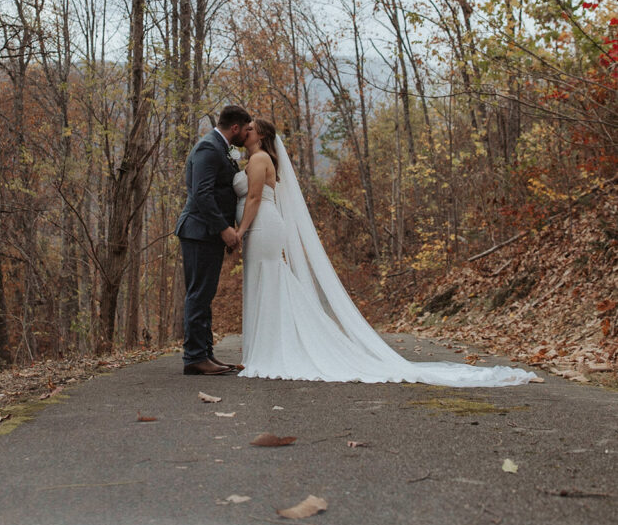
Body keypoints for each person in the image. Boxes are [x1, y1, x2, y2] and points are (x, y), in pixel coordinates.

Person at [234, 118, 539, 386]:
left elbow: (255, 198)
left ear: (261, 136)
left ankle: (272, 350)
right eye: (245, 128)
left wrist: (240, 231)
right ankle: (268, 347)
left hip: (262, 227)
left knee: (270, 282)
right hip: (261, 227)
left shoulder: (260, 159)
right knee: (269, 283)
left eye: (250, 129)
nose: (246, 131)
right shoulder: (253, 159)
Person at [175, 105, 252, 375]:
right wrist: (224, 229)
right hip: (199, 231)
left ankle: (205, 353)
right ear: (235, 128)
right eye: (246, 129)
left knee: (205, 294)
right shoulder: (209, 148)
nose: (247, 134)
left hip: (205, 233)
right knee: (198, 293)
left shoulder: (218, 147)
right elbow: (202, 194)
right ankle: (194, 357)